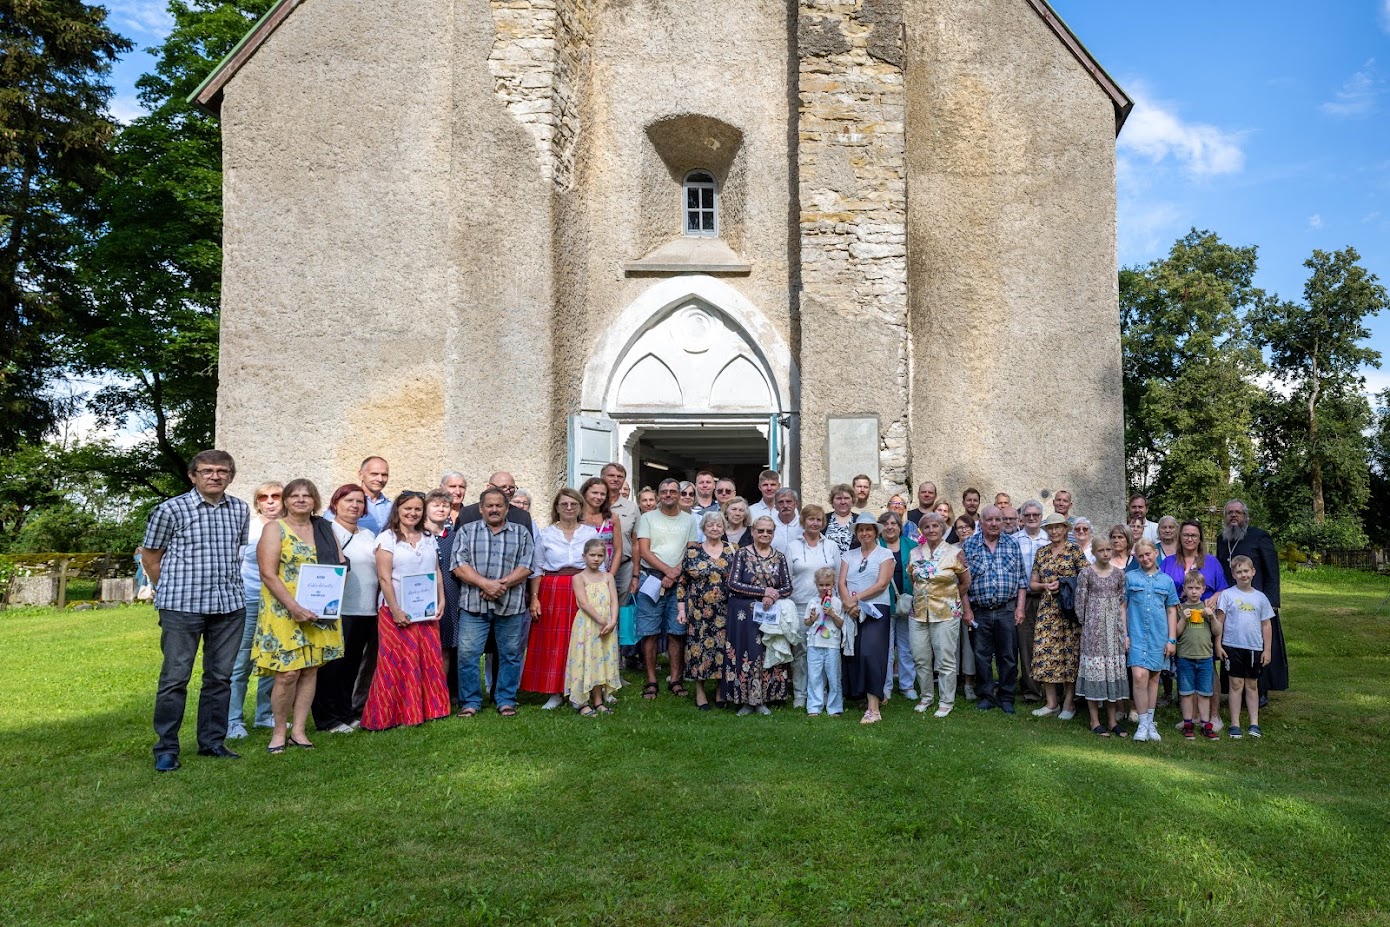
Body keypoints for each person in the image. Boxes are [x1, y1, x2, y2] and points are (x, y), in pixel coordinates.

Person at [143, 450, 251, 771]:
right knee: (175, 679)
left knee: (220, 678)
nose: (215, 476)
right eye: (207, 471)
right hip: (182, 607)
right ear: (193, 476)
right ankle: (166, 748)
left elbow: (235, 553)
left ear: (231, 476)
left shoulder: (240, 510)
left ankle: (212, 742)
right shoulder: (170, 510)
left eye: (222, 471)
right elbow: (150, 558)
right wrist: (169, 589)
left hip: (229, 606)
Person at [253, 479, 347, 751]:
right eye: (294, 495)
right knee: (288, 673)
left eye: (307, 495)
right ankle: (279, 732)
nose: (301, 500)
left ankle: (299, 731)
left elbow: (340, 563)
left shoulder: (324, 528)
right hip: (284, 610)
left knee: (310, 670)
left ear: (315, 501)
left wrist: (330, 597)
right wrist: (294, 607)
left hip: (318, 609)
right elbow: (268, 573)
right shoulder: (275, 528)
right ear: (286, 500)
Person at [358, 490, 450, 730]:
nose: (413, 513)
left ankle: (429, 710)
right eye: (408, 508)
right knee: (396, 662)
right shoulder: (387, 538)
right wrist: (396, 610)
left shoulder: (428, 537)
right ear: (397, 510)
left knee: (427, 659)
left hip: (426, 610)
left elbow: (436, 571)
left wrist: (441, 599)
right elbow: (384, 578)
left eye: (418, 509)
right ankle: (392, 715)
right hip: (395, 610)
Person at [451, 487, 537, 717]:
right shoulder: (467, 531)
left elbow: (528, 565)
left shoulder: (521, 533)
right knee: (468, 655)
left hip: (510, 605)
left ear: (507, 508)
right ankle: (470, 702)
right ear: (481, 508)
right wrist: (485, 584)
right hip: (473, 604)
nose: (494, 509)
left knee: (510, 654)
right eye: (489, 505)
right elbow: (458, 564)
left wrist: (499, 585)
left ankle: (506, 700)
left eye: (499, 505)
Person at [310, 484, 380, 734]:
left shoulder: (368, 535)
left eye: (360, 502)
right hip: (340, 609)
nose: (354, 505)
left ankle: (345, 712)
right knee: (333, 667)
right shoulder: (327, 531)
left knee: (352, 665)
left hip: (366, 610)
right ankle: (326, 718)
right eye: (349, 500)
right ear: (336, 503)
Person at [524, 488, 599, 709]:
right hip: (553, 589)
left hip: (583, 586)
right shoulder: (546, 534)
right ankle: (555, 692)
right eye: (564, 504)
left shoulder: (589, 533)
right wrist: (534, 598)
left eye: (574, 504)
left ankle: (578, 692)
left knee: (580, 640)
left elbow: (599, 565)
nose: (569, 508)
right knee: (554, 642)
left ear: (580, 507)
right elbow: (538, 568)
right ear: (556, 507)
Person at [1214, 499, 1285, 705]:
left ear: (1245, 516)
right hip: (1231, 600)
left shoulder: (1259, 536)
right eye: (1229, 513)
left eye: (1238, 512)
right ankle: (1234, 689)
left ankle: (1260, 690)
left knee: (1258, 645)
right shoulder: (1222, 539)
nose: (1233, 516)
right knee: (1233, 642)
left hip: (1257, 600)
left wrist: (1272, 601)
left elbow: (1272, 569)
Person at [635, 478, 699, 700]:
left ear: (679, 494)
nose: (669, 494)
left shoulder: (689, 520)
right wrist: (667, 571)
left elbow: (691, 550)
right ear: (659, 495)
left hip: (680, 582)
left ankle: (675, 679)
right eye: (664, 491)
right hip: (651, 578)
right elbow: (644, 550)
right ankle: (651, 680)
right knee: (649, 632)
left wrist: (675, 573)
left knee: (676, 632)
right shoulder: (647, 518)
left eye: (673, 491)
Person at [227, 481, 281, 740]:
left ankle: (265, 714)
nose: (270, 501)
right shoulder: (247, 527)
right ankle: (233, 720)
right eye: (263, 497)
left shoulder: (289, 526)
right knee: (241, 663)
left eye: (276, 496)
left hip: (280, 602)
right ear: (257, 502)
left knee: (273, 659)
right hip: (249, 599)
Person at [723, 515, 793, 715]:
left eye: (769, 531)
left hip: (770, 613)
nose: (764, 534)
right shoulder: (742, 554)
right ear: (753, 532)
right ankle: (746, 700)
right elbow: (733, 583)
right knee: (748, 653)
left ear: (773, 534)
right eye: (760, 530)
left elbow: (787, 586)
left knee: (766, 653)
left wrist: (773, 595)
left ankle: (765, 698)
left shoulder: (779, 557)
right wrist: (763, 592)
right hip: (744, 615)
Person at [961, 506, 1027, 714]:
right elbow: (962, 583)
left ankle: (1006, 696)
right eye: (989, 520)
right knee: (981, 656)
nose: (994, 523)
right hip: (979, 610)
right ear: (980, 522)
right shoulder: (969, 545)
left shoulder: (1012, 544)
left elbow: (1022, 580)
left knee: (1008, 656)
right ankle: (986, 696)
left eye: (998, 520)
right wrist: (967, 610)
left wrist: (1020, 608)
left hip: (1006, 609)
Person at [907, 512, 971, 718]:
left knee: (945, 658)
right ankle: (926, 696)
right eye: (927, 526)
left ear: (942, 529)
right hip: (918, 612)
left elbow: (965, 582)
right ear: (922, 531)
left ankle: (946, 700)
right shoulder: (915, 553)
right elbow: (913, 579)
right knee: (920, 657)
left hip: (946, 613)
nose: (931, 530)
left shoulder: (955, 552)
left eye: (935, 526)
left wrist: (950, 598)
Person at [1028, 513, 1088, 721]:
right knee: (1045, 654)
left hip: (1069, 610)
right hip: (1047, 610)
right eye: (1050, 528)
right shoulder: (1042, 552)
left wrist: (1063, 583)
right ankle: (1051, 703)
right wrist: (1045, 585)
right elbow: (1032, 583)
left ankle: (1069, 703)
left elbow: (1086, 578)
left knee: (1069, 656)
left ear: (1065, 529)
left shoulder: (1074, 550)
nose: (1054, 531)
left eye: (1058, 527)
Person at [839, 512, 896, 724]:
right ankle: (867, 696)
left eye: (868, 529)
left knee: (871, 654)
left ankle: (874, 710)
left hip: (876, 609)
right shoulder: (848, 555)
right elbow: (841, 582)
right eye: (861, 529)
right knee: (854, 653)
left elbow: (881, 584)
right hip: (852, 609)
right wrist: (848, 603)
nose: (865, 533)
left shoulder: (885, 554)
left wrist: (855, 600)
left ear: (875, 532)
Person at [676, 510, 735, 710]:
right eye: (710, 525)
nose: (714, 528)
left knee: (722, 648)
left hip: (725, 610)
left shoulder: (732, 551)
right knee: (698, 650)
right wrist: (681, 610)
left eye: (718, 525)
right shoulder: (693, 552)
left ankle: (720, 690)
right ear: (703, 528)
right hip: (698, 612)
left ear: (724, 528)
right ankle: (700, 691)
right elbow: (682, 583)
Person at [785, 503, 841, 709]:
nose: (815, 523)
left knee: (825, 651)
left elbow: (839, 576)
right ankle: (800, 694)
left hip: (827, 606)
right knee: (801, 652)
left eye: (819, 519)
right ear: (803, 521)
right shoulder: (793, 546)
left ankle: (822, 693)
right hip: (801, 604)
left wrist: (836, 604)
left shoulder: (831, 546)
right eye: (811, 519)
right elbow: (787, 577)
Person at [1214, 554, 1275, 738]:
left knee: (1252, 685)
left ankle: (1254, 723)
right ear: (1233, 574)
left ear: (1253, 572)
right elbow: (1219, 621)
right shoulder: (1227, 595)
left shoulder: (1261, 598)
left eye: (1246, 571)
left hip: (1254, 647)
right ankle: (1235, 724)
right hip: (1232, 646)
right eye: (1239, 572)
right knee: (1235, 684)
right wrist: (1218, 644)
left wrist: (1267, 650)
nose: (1243, 575)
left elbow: (1266, 625)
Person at [1075, 535, 1129, 737]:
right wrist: (1088, 625)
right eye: (1101, 550)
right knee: (1095, 671)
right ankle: (1094, 720)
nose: (1106, 553)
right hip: (1094, 630)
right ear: (1094, 552)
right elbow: (1080, 603)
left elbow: (1122, 601)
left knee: (1111, 672)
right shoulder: (1086, 573)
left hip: (1113, 629)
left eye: (1108, 549)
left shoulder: (1119, 574)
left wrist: (1122, 630)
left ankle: (1113, 721)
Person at [1125, 538, 1178, 743]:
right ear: (1136, 558)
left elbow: (1171, 610)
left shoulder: (1166, 581)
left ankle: (1150, 721)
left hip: (1158, 635)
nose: (1145, 558)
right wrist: (1125, 635)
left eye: (1148, 554)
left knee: (1154, 678)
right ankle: (1142, 723)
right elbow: (1122, 606)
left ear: (1156, 553)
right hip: (1136, 634)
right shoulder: (1130, 578)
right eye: (1140, 556)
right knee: (1139, 676)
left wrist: (1171, 639)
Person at [565, 539, 622, 716]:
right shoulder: (578, 578)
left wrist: (612, 621)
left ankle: (598, 701)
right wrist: (601, 621)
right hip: (588, 625)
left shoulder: (608, 577)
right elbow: (583, 603)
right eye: (592, 555)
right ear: (584, 556)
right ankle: (581, 701)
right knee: (585, 658)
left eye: (600, 555)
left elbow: (614, 601)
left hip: (606, 626)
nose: (596, 559)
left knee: (600, 660)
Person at [422, 488, 463, 707]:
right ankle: (420, 693)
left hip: (451, 595)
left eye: (445, 505)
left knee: (445, 645)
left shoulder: (455, 537)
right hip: (421, 596)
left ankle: (439, 695)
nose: (441, 509)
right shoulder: (417, 535)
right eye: (435, 505)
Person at [1175, 569, 1223, 740]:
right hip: (1185, 657)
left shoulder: (1207, 608)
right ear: (1184, 589)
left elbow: (1217, 631)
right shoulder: (1181, 609)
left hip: (1205, 658)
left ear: (1203, 590)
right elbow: (1176, 633)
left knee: (1205, 693)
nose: (1194, 592)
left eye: (1197, 588)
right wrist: (1183, 619)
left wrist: (1212, 617)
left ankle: (1205, 724)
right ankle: (1188, 723)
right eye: (1190, 588)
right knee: (1186, 692)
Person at [878, 511, 918, 703]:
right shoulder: (876, 545)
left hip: (908, 602)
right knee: (885, 647)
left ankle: (907, 685)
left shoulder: (912, 546)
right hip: (884, 603)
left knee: (907, 646)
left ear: (900, 527)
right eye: (885, 524)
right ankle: (885, 686)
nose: (890, 527)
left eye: (893, 523)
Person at [1012, 500, 1048, 704]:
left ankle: (1050, 687)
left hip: (1047, 597)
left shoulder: (1048, 539)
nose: (1032, 518)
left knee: (1047, 643)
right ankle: (1031, 690)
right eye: (1028, 515)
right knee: (1026, 645)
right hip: (1023, 598)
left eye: (1036, 515)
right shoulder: (1014, 540)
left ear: (1041, 517)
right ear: (1022, 518)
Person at [802, 567, 846, 717]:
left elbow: (841, 624)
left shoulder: (837, 602)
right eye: (821, 585)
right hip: (814, 644)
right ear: (816, 585)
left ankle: (834, 707)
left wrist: (832, 614)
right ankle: (814, 706)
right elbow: (806, 622)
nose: (824, 588)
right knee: (814, 676)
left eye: (827, 584)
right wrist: (811, 619)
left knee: (833, 677)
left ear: (833, 584)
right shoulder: (813, 602)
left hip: (832, 644)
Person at [1160, 521, 1227, 602]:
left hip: (1205, 608)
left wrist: (1213, 600)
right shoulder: (1167, 562)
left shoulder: (1212, 562)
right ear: (1179, 537)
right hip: (1174, 609)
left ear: (1200, 539)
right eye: (1185, 535)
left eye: (1194, 536)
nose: (1189, 539)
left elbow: (1222, 589)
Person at [600, 463, 639, 598]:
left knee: (621, 608)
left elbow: (636, 543)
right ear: (602, 477)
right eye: (611, 475)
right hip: (594, 567)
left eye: (620, 476)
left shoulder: (632, 508)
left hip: (624, 568)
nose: (615, 479)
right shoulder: (593, 504)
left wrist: (635, 575)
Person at [580, 476, 623, 575]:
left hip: (605, 573)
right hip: (580, 573)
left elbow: (618, 551)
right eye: (595, 493)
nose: (599, 497)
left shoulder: (612, 518)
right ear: (585, 493)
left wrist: (610, 576)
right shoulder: (577, 518)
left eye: (603, 494)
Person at [354, 456, 392, 533]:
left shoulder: (391, 507)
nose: (380, 479)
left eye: (384, 475)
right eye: (374, 474)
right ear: (361, 475)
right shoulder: (348, 503)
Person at [824, 483, 856, 553]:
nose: (843, 502)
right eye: (838, 498)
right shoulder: (823, 519)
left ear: (852, 501)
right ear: (832, 501)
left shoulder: (859, 520)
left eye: (846, 498)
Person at [770, 487, 803, 553]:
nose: (785, 506)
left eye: (788, 502)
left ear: (796, 504)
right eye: (781, 502)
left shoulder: (804, 524)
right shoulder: (769, 525)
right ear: (775, 506)